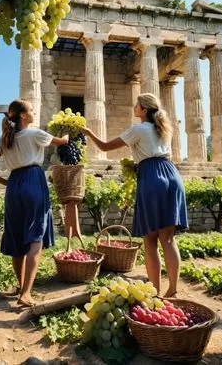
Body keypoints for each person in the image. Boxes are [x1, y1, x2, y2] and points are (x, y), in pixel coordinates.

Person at [82, 93, 188, 297]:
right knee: (168, 240)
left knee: (150, 240)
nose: (134, 107)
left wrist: (89, 133)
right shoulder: (164, 128)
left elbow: (104, 146)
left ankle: (155, 291)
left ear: (144, 110)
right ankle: (173, 289)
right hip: (172, 175)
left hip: (152, 178)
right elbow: (155, 154)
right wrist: (139, 162)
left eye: (137, 104)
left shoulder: (138, 129)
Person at [0, 99, 68, 307]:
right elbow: (62, 142)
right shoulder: (34, 133)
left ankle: (22, 287)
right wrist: (67, 133)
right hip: (32, 179)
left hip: (15, 185)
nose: (33, 112)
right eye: (30, 110)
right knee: (35, 236)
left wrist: (6, 182)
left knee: (17, 238)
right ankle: (26, 294)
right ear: (22, 115)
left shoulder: (4, 139)